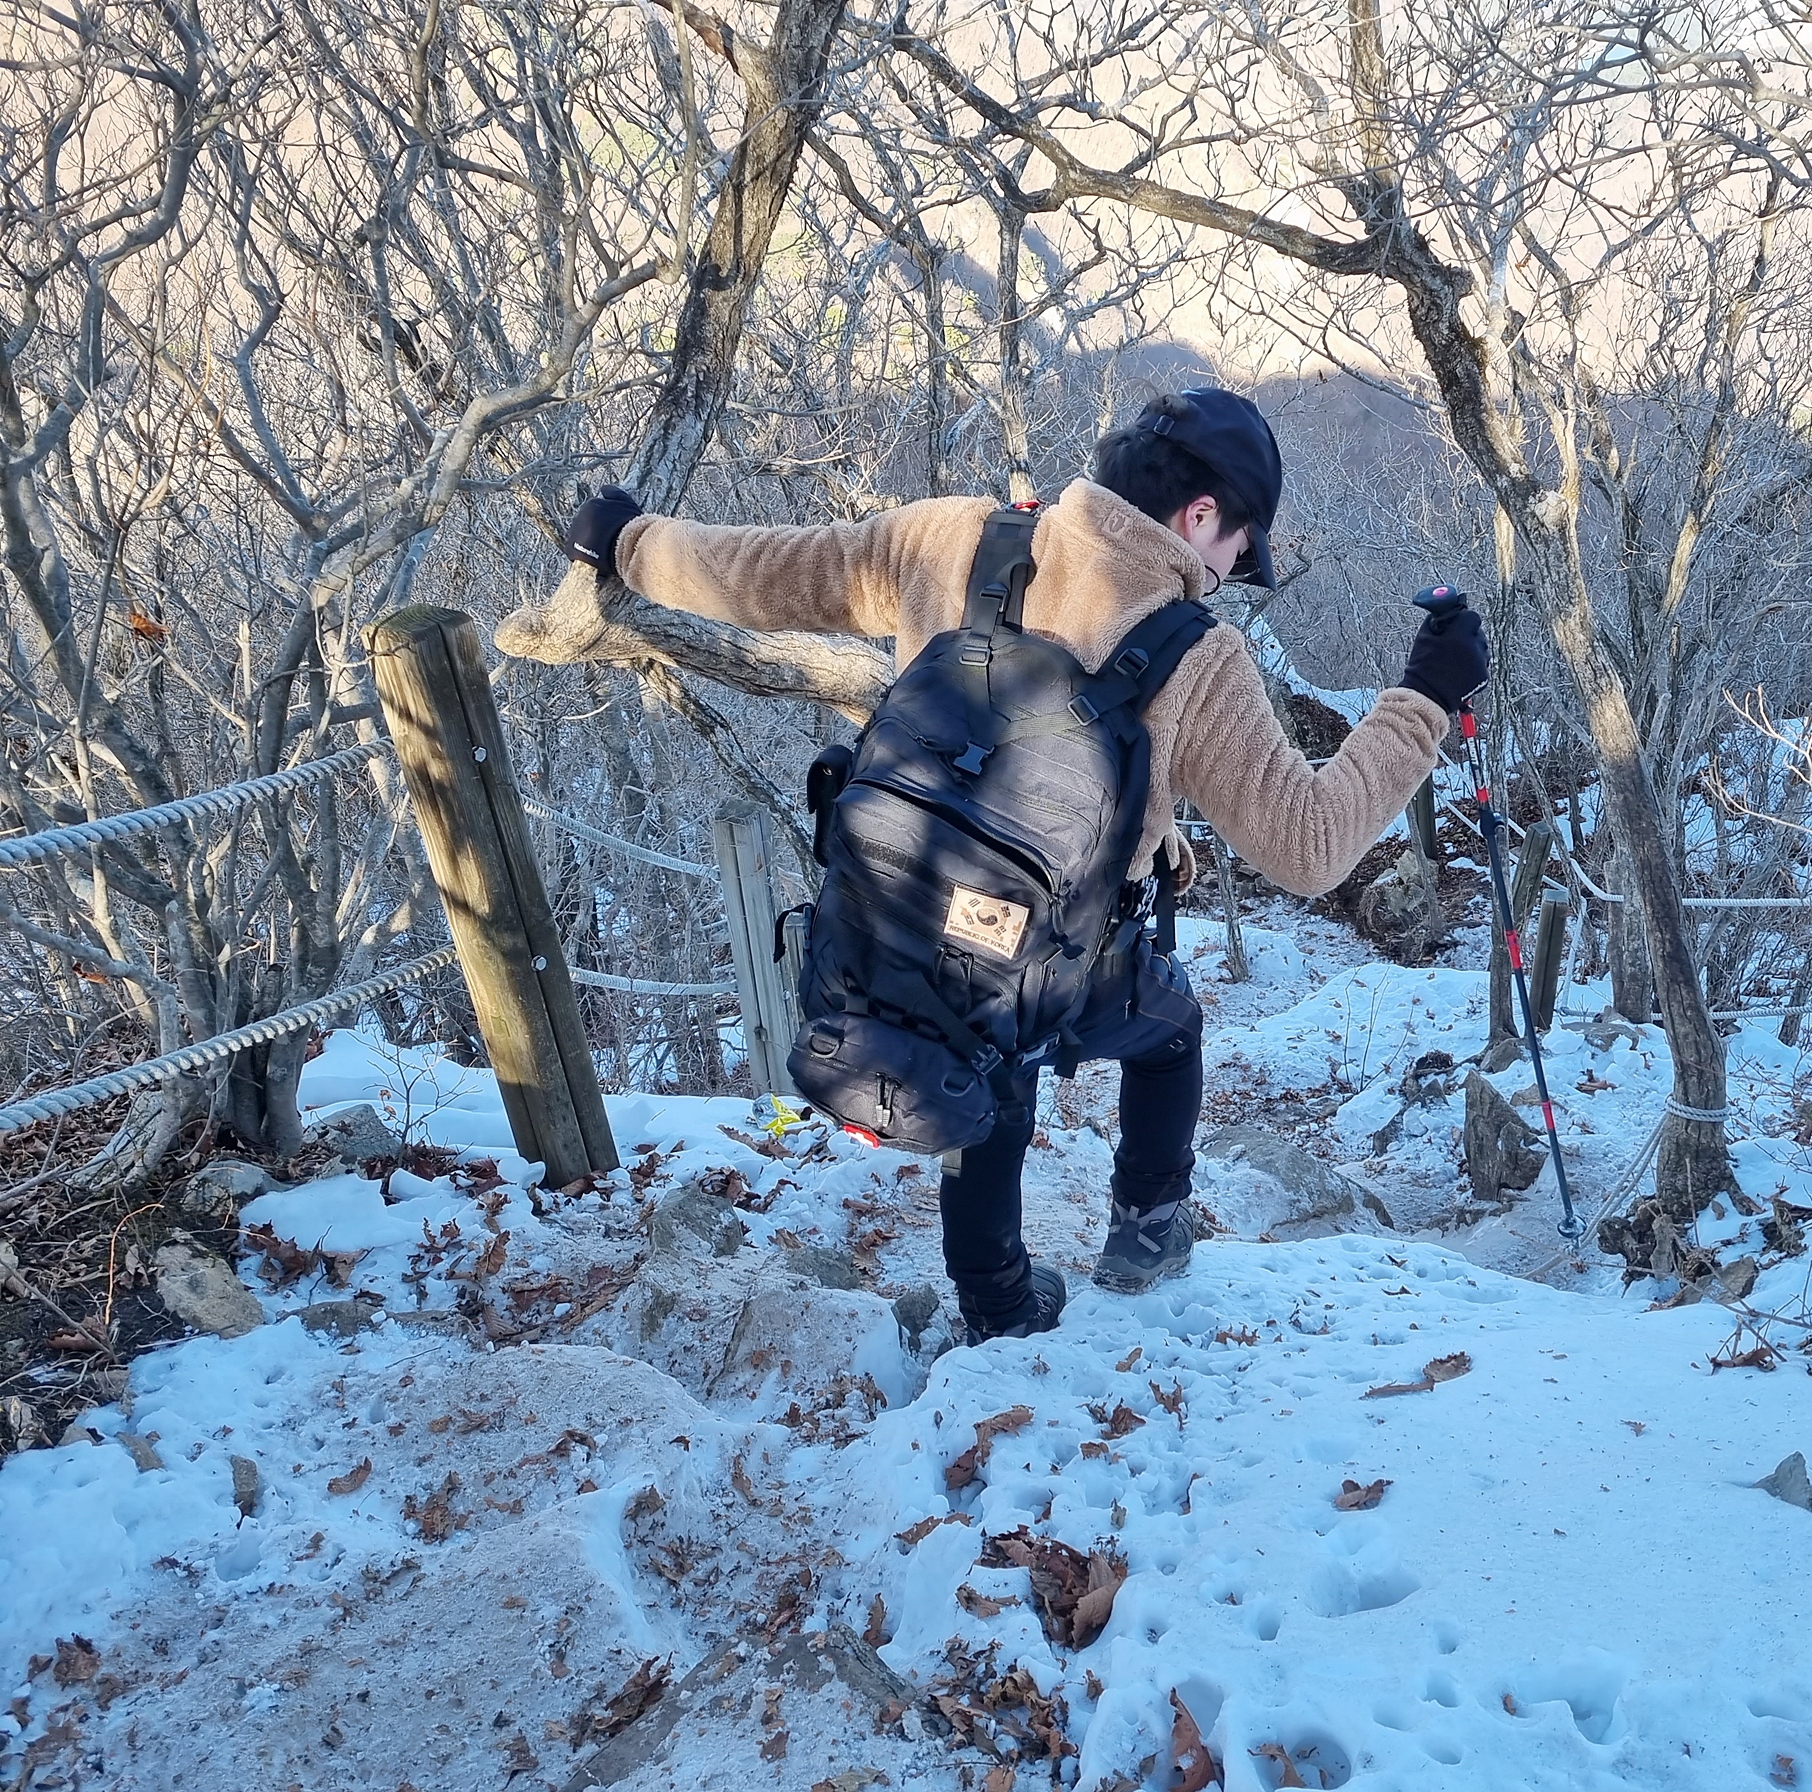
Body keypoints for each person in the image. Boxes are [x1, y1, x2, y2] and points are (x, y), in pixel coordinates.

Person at [564, 389, 1487, 1341]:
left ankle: (997, 1306)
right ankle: (1146, 1232)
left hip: (886, 923)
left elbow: (773, 574)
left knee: (988, 1056)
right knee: (1165, 1028)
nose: (1224, 575)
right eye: (1236, 548)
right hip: (1044, 965)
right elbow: (1311, 845)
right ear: (1200, 513)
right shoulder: (1199, 658)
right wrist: (1424, 697)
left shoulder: (955, 539)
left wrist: (630, 542)